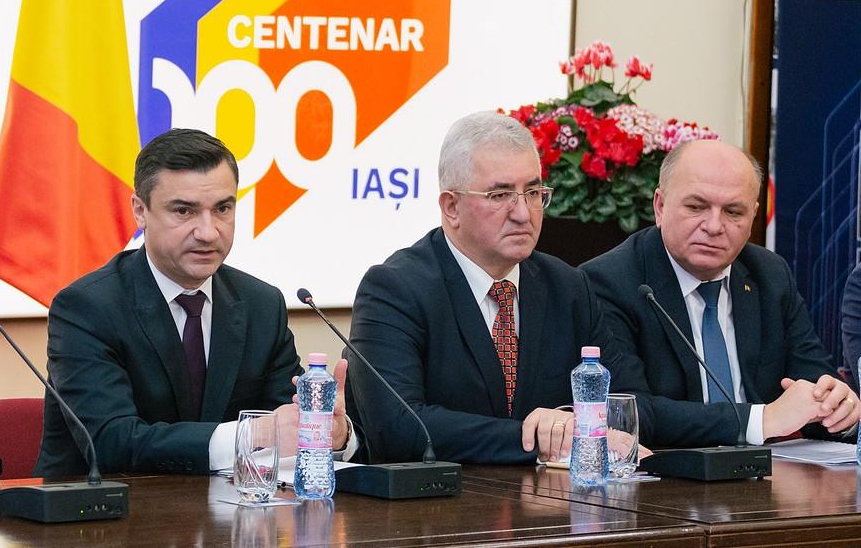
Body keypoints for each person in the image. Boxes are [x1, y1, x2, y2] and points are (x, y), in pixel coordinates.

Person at [35, 129, 354, 477]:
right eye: (184, 211)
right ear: (140, 211)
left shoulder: (261, 304)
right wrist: (250, 434)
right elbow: (111, 441)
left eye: (222, 209)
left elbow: (286, 421)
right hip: (105, 507)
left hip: (228, 507)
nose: (208, 232)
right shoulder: (86, 308)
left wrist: (328, 432)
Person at [346, 112, 651, 464]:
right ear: (451, 207)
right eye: (500, 195)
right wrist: (539, 438)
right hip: (443, 497)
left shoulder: (568, 287)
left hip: (553, 497)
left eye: (533, 192)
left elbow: (631, 405)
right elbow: (399, 428)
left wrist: (575, 426)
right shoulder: (394, 289)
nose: (523, 213)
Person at [583, 139, 857, 447]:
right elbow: (627, 412)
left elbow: (815, 383)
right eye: (696, 207)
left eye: (733, 211)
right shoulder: (608, 282)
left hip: (768, 471)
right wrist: (761, 420)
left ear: (753, 216)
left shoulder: (770, 274)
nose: (714, 226)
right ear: (660, 206)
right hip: (665, 473)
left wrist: (838, 410)